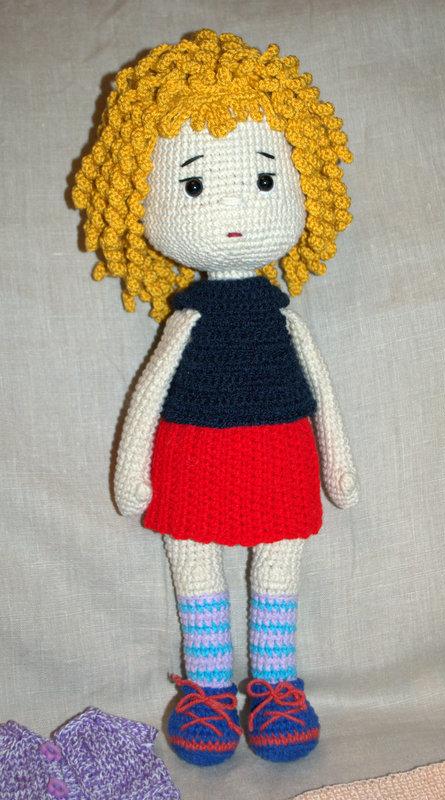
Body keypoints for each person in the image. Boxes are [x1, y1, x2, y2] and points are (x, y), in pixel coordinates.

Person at [72, 28, 359, 766]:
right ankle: (206, 689)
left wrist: (338, 464)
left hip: (280, 458)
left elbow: (320, 392)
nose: (232, 204)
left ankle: (275, 684)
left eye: (263, 181)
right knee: (193, 567)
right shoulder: (186, 321)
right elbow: (149, 395)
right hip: (193, 461)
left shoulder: (283, 319)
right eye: (194, 186)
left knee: (279, 571)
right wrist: (132, 473)